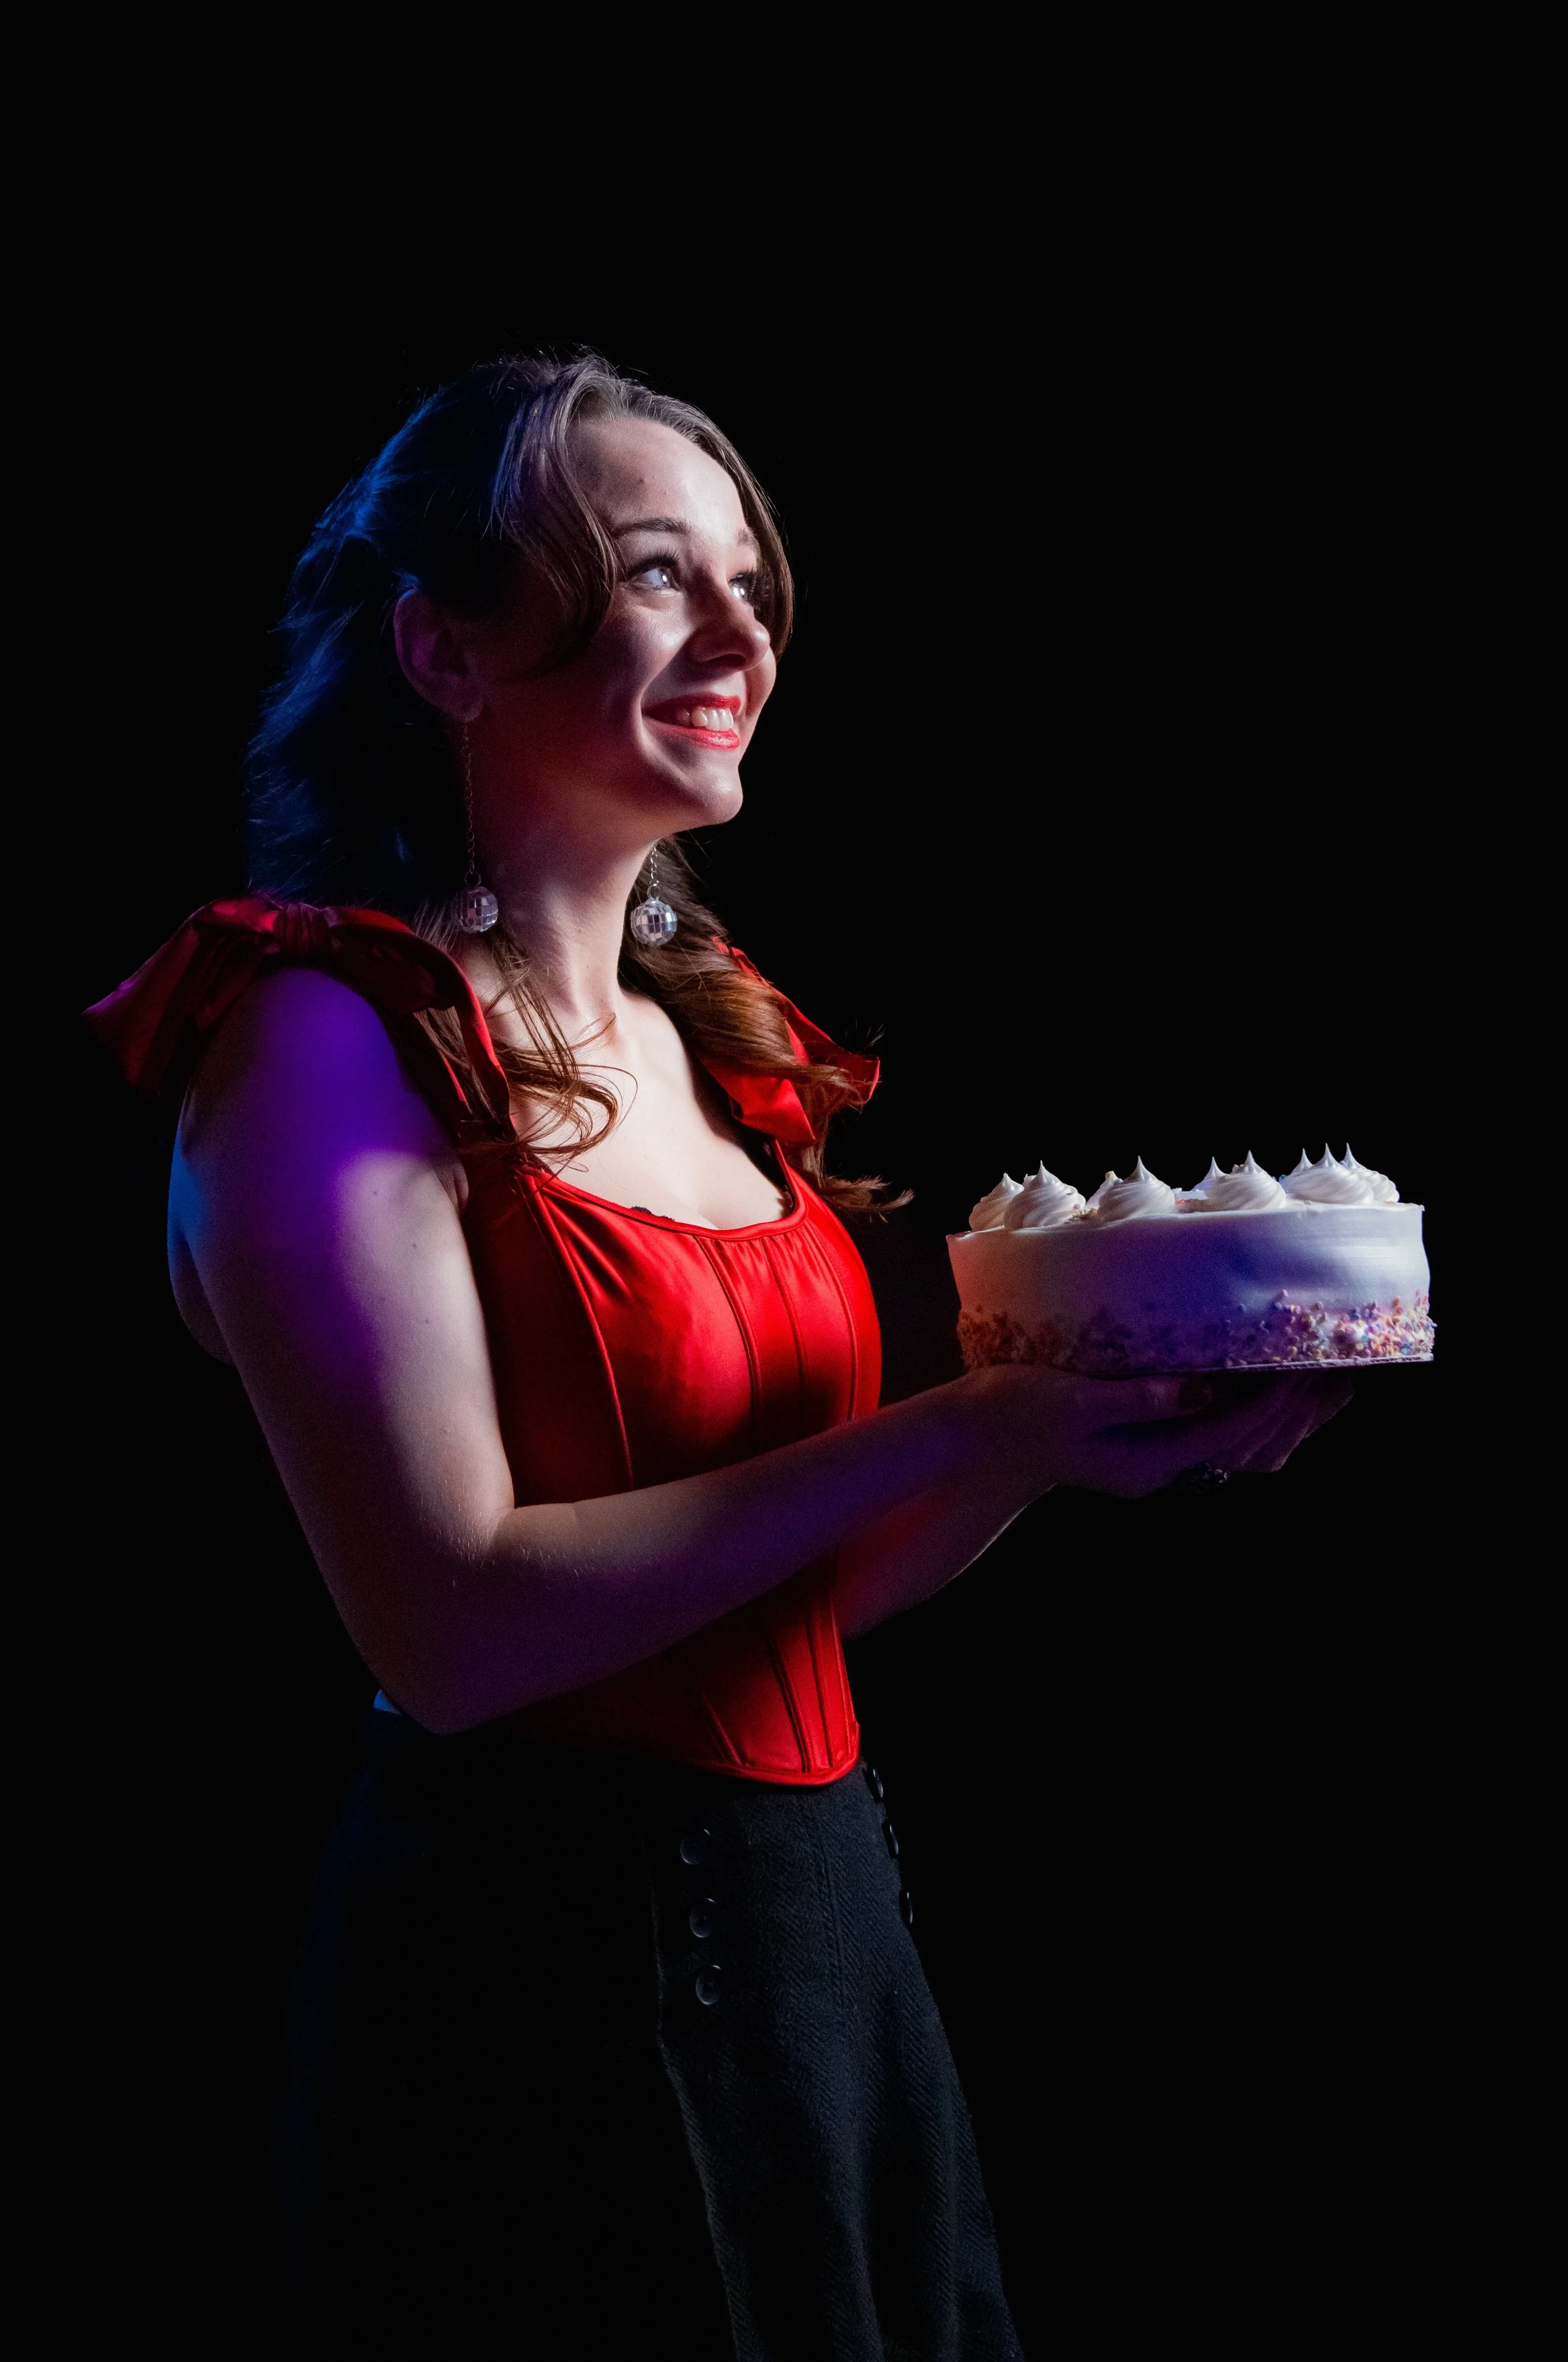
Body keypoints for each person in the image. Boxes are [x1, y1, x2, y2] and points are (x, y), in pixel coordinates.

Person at [88, 353, 1348, 2356]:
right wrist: (966, 1415)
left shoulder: (715, 1041)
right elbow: (454, 1626)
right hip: (533, 1975)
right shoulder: (316, 1033)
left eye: (749, 578)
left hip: (820, 1938)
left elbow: (803, 1596)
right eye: (652, 570)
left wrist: (1038, 1451)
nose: (739, 626)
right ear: (444, 645)